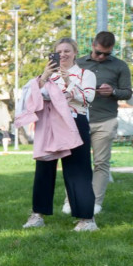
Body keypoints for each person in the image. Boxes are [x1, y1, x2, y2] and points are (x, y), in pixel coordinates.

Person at [22, 38, 97, 232]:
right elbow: (31, 98)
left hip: (75, 122)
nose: (63, 54)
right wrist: (43, 77)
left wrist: (68, 81)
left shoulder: (84, 74)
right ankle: (37, 215)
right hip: (49, 124)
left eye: (67, 51)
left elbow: (88, 98)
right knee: (44, 168)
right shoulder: (48, 76)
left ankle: (86, 219)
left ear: (75, 52)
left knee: (78, 171)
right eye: (59, 51)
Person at [76, 31, 131, 214]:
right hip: (80, 118)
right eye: (98, 52)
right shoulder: (79, 64)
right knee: (77, 162)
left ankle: (96, 203)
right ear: (93, 45)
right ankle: (72, 200)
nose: (101, 57)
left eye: (106, 54)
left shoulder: (120, 66)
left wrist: (113, 91)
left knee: (101, 163)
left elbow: (127, 93)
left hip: (105, 120)